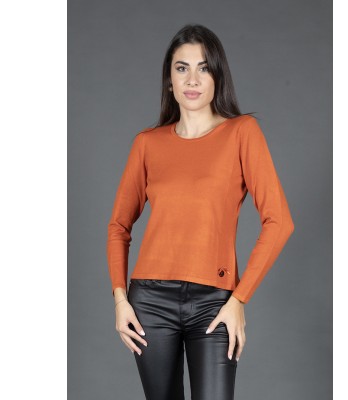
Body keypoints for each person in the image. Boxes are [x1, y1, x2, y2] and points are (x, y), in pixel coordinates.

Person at [106, 24, 295, 400]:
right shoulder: (147, 144)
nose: (192, 79)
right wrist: (120, 300)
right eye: (182, 68)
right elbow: (118, 225)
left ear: (217, 76)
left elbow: (279, 222)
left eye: (204, 68)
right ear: (169, 80)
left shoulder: (242, 132)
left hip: (215, 302)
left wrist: (239, 299)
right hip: (150, 302)